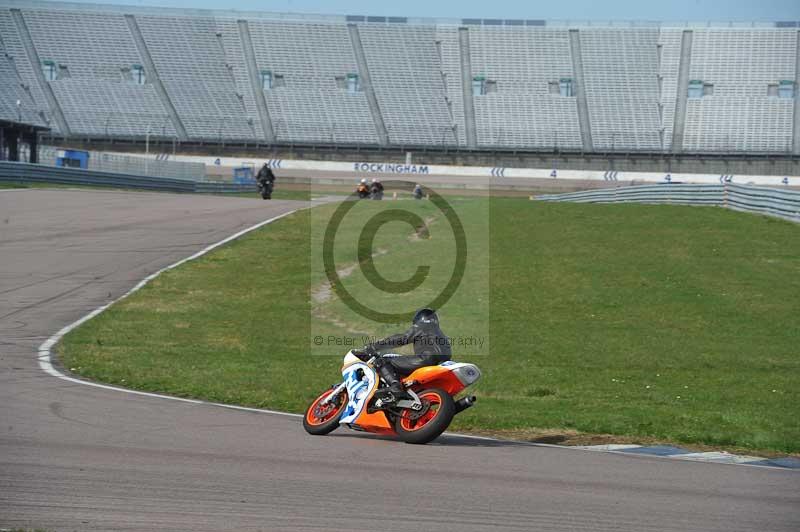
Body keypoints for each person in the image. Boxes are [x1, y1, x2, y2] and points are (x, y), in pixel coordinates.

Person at [356, 308, 451, 401]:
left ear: (420, 319)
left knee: (382, 362)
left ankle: (395, 387)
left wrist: (374, 347)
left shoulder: (422, 327)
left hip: (426, 359)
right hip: (443, 363)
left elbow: (402, 339)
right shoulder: (441, 334)